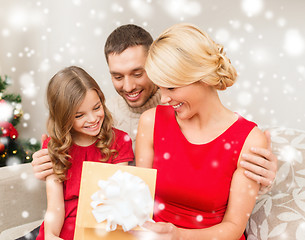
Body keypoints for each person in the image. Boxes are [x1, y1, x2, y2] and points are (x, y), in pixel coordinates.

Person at [31, 24, 277, 195]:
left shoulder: (184, 107)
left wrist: (262, 175)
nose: (128, 86)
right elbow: (71, 149)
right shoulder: (100, 116)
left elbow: (216, 154)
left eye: (138, 73)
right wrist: (45, 161)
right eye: (117, 76)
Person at [134, 23, 267, 240]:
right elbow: (140, 203)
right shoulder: (151, 122)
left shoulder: (250, 139)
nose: (164, 98)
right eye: (160, 88)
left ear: (202, 77)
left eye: (171, 87)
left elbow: (233, 227)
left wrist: (177, 235)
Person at [35, 66, 134, 240]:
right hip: (65, 228)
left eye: (96, 108)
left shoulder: (119, 140)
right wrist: (51, 235)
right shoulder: (54, 146)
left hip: (104, 227)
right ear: (63, 118)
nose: (93, 119)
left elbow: (120, 201)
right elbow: (55, 207)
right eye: (79, 115)